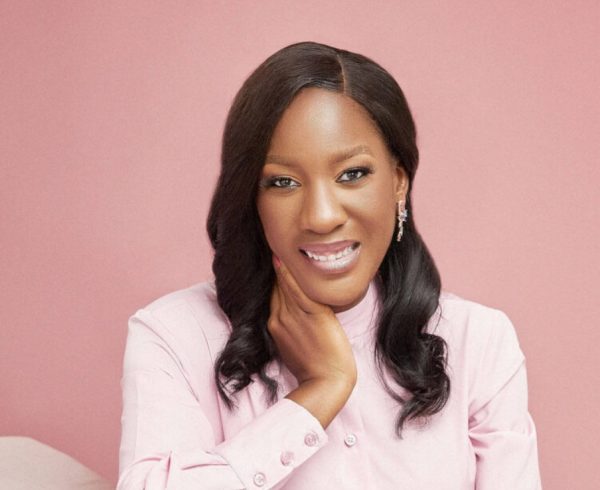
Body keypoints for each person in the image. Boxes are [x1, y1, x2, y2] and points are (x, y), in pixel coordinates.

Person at [117, 41, 541, 489]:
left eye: (352, 174)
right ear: (251, 198)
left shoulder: (478, 343)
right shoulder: (175, 336)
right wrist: (318, 393)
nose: (321, 216)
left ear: (399, 183)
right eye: (283, 182)